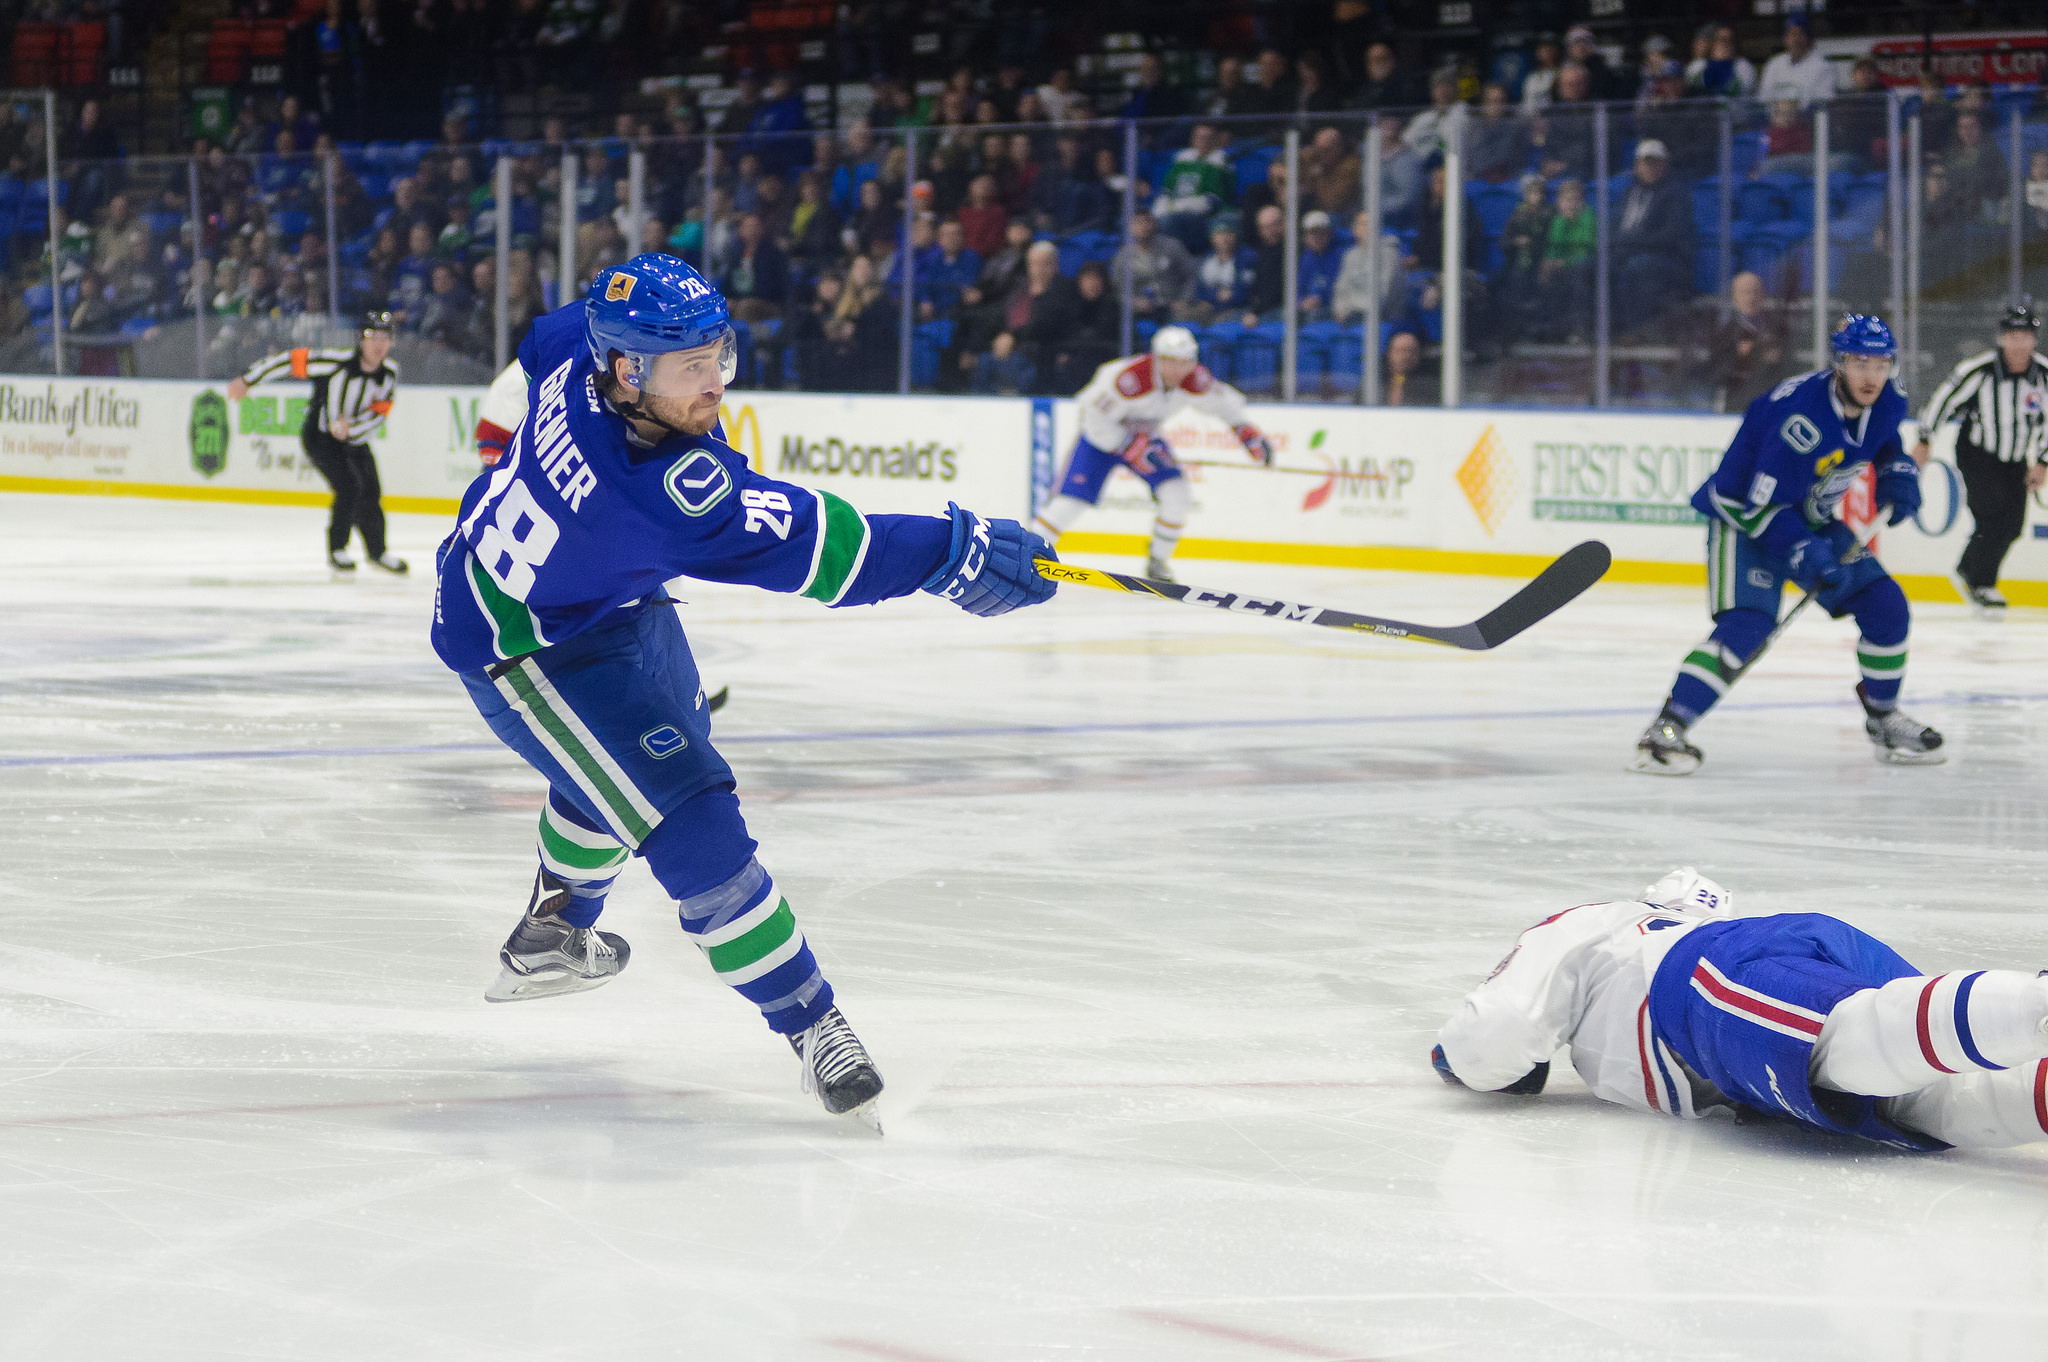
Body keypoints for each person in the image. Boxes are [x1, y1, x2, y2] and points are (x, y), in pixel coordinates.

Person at [431, 255, 1057, 1128]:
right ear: (629, 371)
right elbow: (834, 553)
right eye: (691, 369)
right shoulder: (667, 493)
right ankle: (812, 1022)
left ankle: (553, 929)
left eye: (719, 355)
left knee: (640, 760)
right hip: (527, 644)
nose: (714, 384)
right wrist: (956, 547)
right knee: (687, 811)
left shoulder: (582, 343)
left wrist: (504, 465)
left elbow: (536, 350)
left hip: (605, 594)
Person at [1434, 867, 2048, 1154]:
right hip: (1774, 958)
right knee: (1916, 1089)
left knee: (1843, 1042)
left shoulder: (1584, 924)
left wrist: (1458, 1062)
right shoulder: (1674, 911)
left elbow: (1495, 1035)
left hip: (1696, 984)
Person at [1630, 316, 1941, 775]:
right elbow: (1756, 502)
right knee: (1747, 626)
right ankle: (1667, 727)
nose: (1872, 375)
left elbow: (1883, 441)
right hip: (1745, 520)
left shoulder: (1889, 399)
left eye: (1881, 363)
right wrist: (1802, 549)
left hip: (1809, 517)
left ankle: (1883, 717)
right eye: (1860, 362)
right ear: (1839, 363)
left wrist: (1896, 471)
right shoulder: (1800, 419)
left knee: (1886, 607)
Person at [1030, 326, 1273, 582]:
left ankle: (1158, 562)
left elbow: (1225, 405)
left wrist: (1247, 433)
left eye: (1185, 362)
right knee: (1070, 502)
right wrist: (1131, 447)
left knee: (1176, 493)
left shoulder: (1195, 380)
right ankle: (1025, 554)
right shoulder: (1127, 378)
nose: (1178, 370)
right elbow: (1093, 416)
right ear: (1157, 358)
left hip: (1148, 441)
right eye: (1171, 362)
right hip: (1101, 441)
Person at [228, 313, 407, 575]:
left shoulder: (390, 373)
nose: (378, 344)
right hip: (319, 438)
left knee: (370, 489)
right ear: (360, 340)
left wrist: (350, 430)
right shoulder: (333, 363)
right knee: (348, 487)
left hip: (355, 439)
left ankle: (377, 552)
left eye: (385, 338)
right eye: (372, 337)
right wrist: (248, 380)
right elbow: (288, 361)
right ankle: (337, 549)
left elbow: (379, 414)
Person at [1914, 301, 2048, 616]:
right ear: (2002, 338)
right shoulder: (1979, 370)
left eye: (2024, 335)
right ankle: (1982, 583)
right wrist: (1924, 438)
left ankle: (1967, 570)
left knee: (2013, 525)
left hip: (2015, 457)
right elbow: (1943, 400)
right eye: (2012, 335)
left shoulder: (2043, 376)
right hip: (1977, 453)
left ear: (2034, 339)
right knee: (1991, 513)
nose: (2018, 343)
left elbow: (2047, 422)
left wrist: (2042, 461)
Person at [1706, 270, 1790, 413]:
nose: (1751, 298)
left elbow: (1791, 369)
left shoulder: (1778, 329)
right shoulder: (1724, 333)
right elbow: (1713, 376)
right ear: (1735, 297)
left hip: (1771, 404)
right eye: (1745, 292)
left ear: (1763, 294)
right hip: (1737, 407)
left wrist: (1777, 358)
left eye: (1755, 292)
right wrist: (1737, 357)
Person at [1756, 17, 1835, 110]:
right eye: (1791, 34)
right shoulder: (1774, 64)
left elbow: (1822, 103)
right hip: (1775, 120)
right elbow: (1763, 99)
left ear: (1809, 38)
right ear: (1785, 39)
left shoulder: (1823, 65)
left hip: (1808, 120)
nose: (1796, 40)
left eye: (1800, 34)